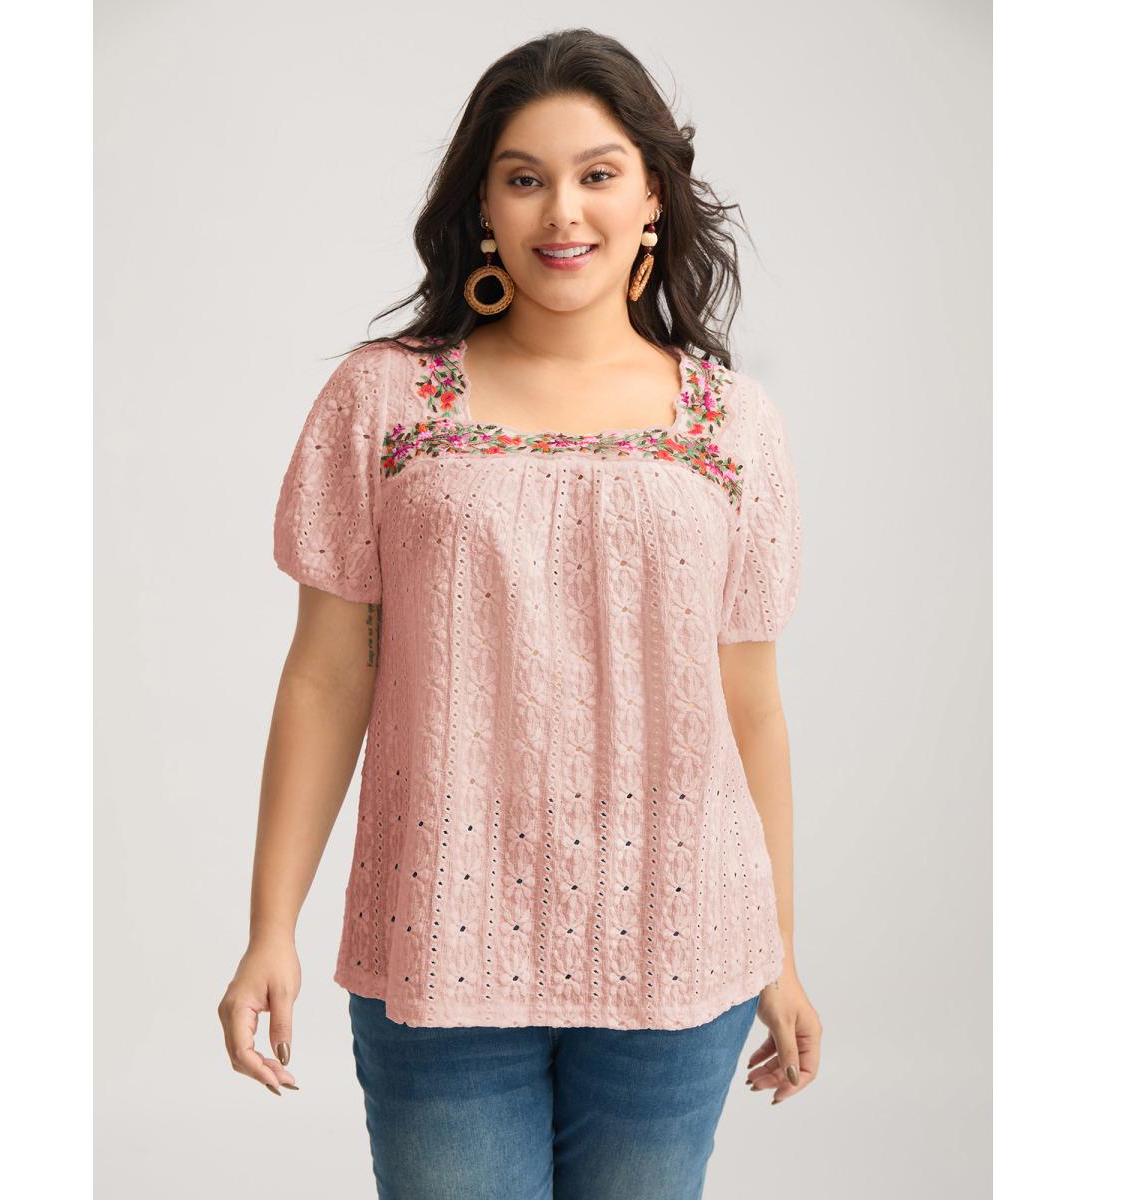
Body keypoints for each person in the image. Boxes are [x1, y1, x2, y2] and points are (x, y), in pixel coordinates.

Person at [218, 27, 822, 1200]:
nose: (564, 211)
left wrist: (781, 955)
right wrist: (269, 928)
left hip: (682, 944)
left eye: (598, 173)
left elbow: (749, 701)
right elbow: (327, 677)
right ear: (485, 208)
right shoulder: (384, 398)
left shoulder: (734, 425)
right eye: (524, 177)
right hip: (439, 940)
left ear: (654, 197)